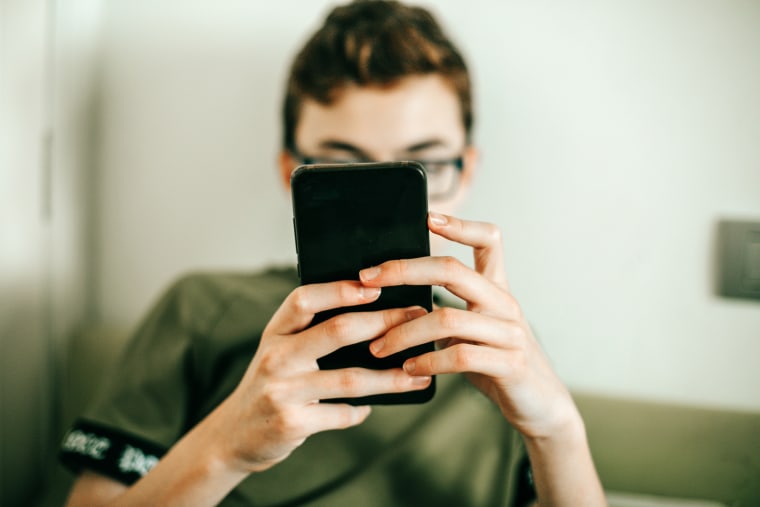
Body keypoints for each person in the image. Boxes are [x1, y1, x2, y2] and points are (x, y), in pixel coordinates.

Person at [59, 1, 606, 505]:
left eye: (420, 168)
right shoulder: (201, 308)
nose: (376, 205)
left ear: (465, 172)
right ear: (289, 173)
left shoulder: (497, 349)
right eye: (342, 166)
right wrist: (225, 447)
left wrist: (556, 428)